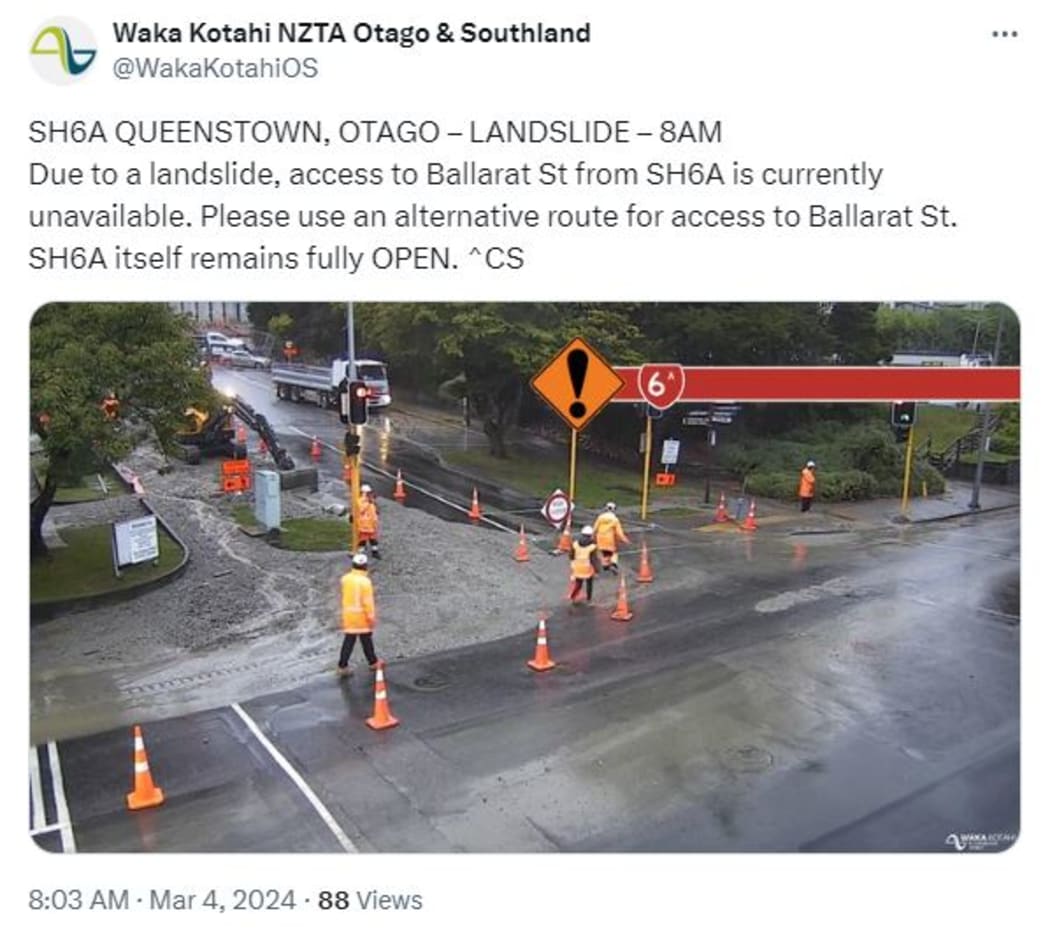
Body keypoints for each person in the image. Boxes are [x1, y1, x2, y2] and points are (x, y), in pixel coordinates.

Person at [337, 553, 384, 677]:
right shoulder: (365, 582)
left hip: (348, 615)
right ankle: (373, 662)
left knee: (349, 640)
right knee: (366, 639)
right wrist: (371, 618)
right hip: (361, 616)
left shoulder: (345, 579)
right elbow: (368, 603)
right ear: (365, 566)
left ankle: (342, 666)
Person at [593, 501, 630, 574]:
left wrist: (592, 536)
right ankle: (613, 564)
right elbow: (619, 532)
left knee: (604, 552)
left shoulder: (600, 517)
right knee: (613, 552)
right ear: (614, 509)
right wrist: (625, 540)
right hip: (609, 539)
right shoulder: (615, 519)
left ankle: (605, 565)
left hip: (600, 537)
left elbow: (595, 528)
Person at [568, 525, 600, 604]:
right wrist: (597, 570)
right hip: (587, 568)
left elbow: (571, 556)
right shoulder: (592, 546)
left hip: (578, 567)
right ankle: (589, 600)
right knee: (589, 584)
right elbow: (594, 560)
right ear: (591, 535)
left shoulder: (575, 544)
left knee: (578, 583)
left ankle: (573, 597)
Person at [357, 483, 381, 559]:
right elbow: (361, 509)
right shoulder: (360, 500)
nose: (370, 494)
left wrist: (376, 509)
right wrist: (369, 502)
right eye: (368, 492)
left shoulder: (371, 501)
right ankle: (361, 554)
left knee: (373, 539)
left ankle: (375, 552)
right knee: (363, 540)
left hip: (372, 523)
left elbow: (374, 510)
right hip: (364, 524)